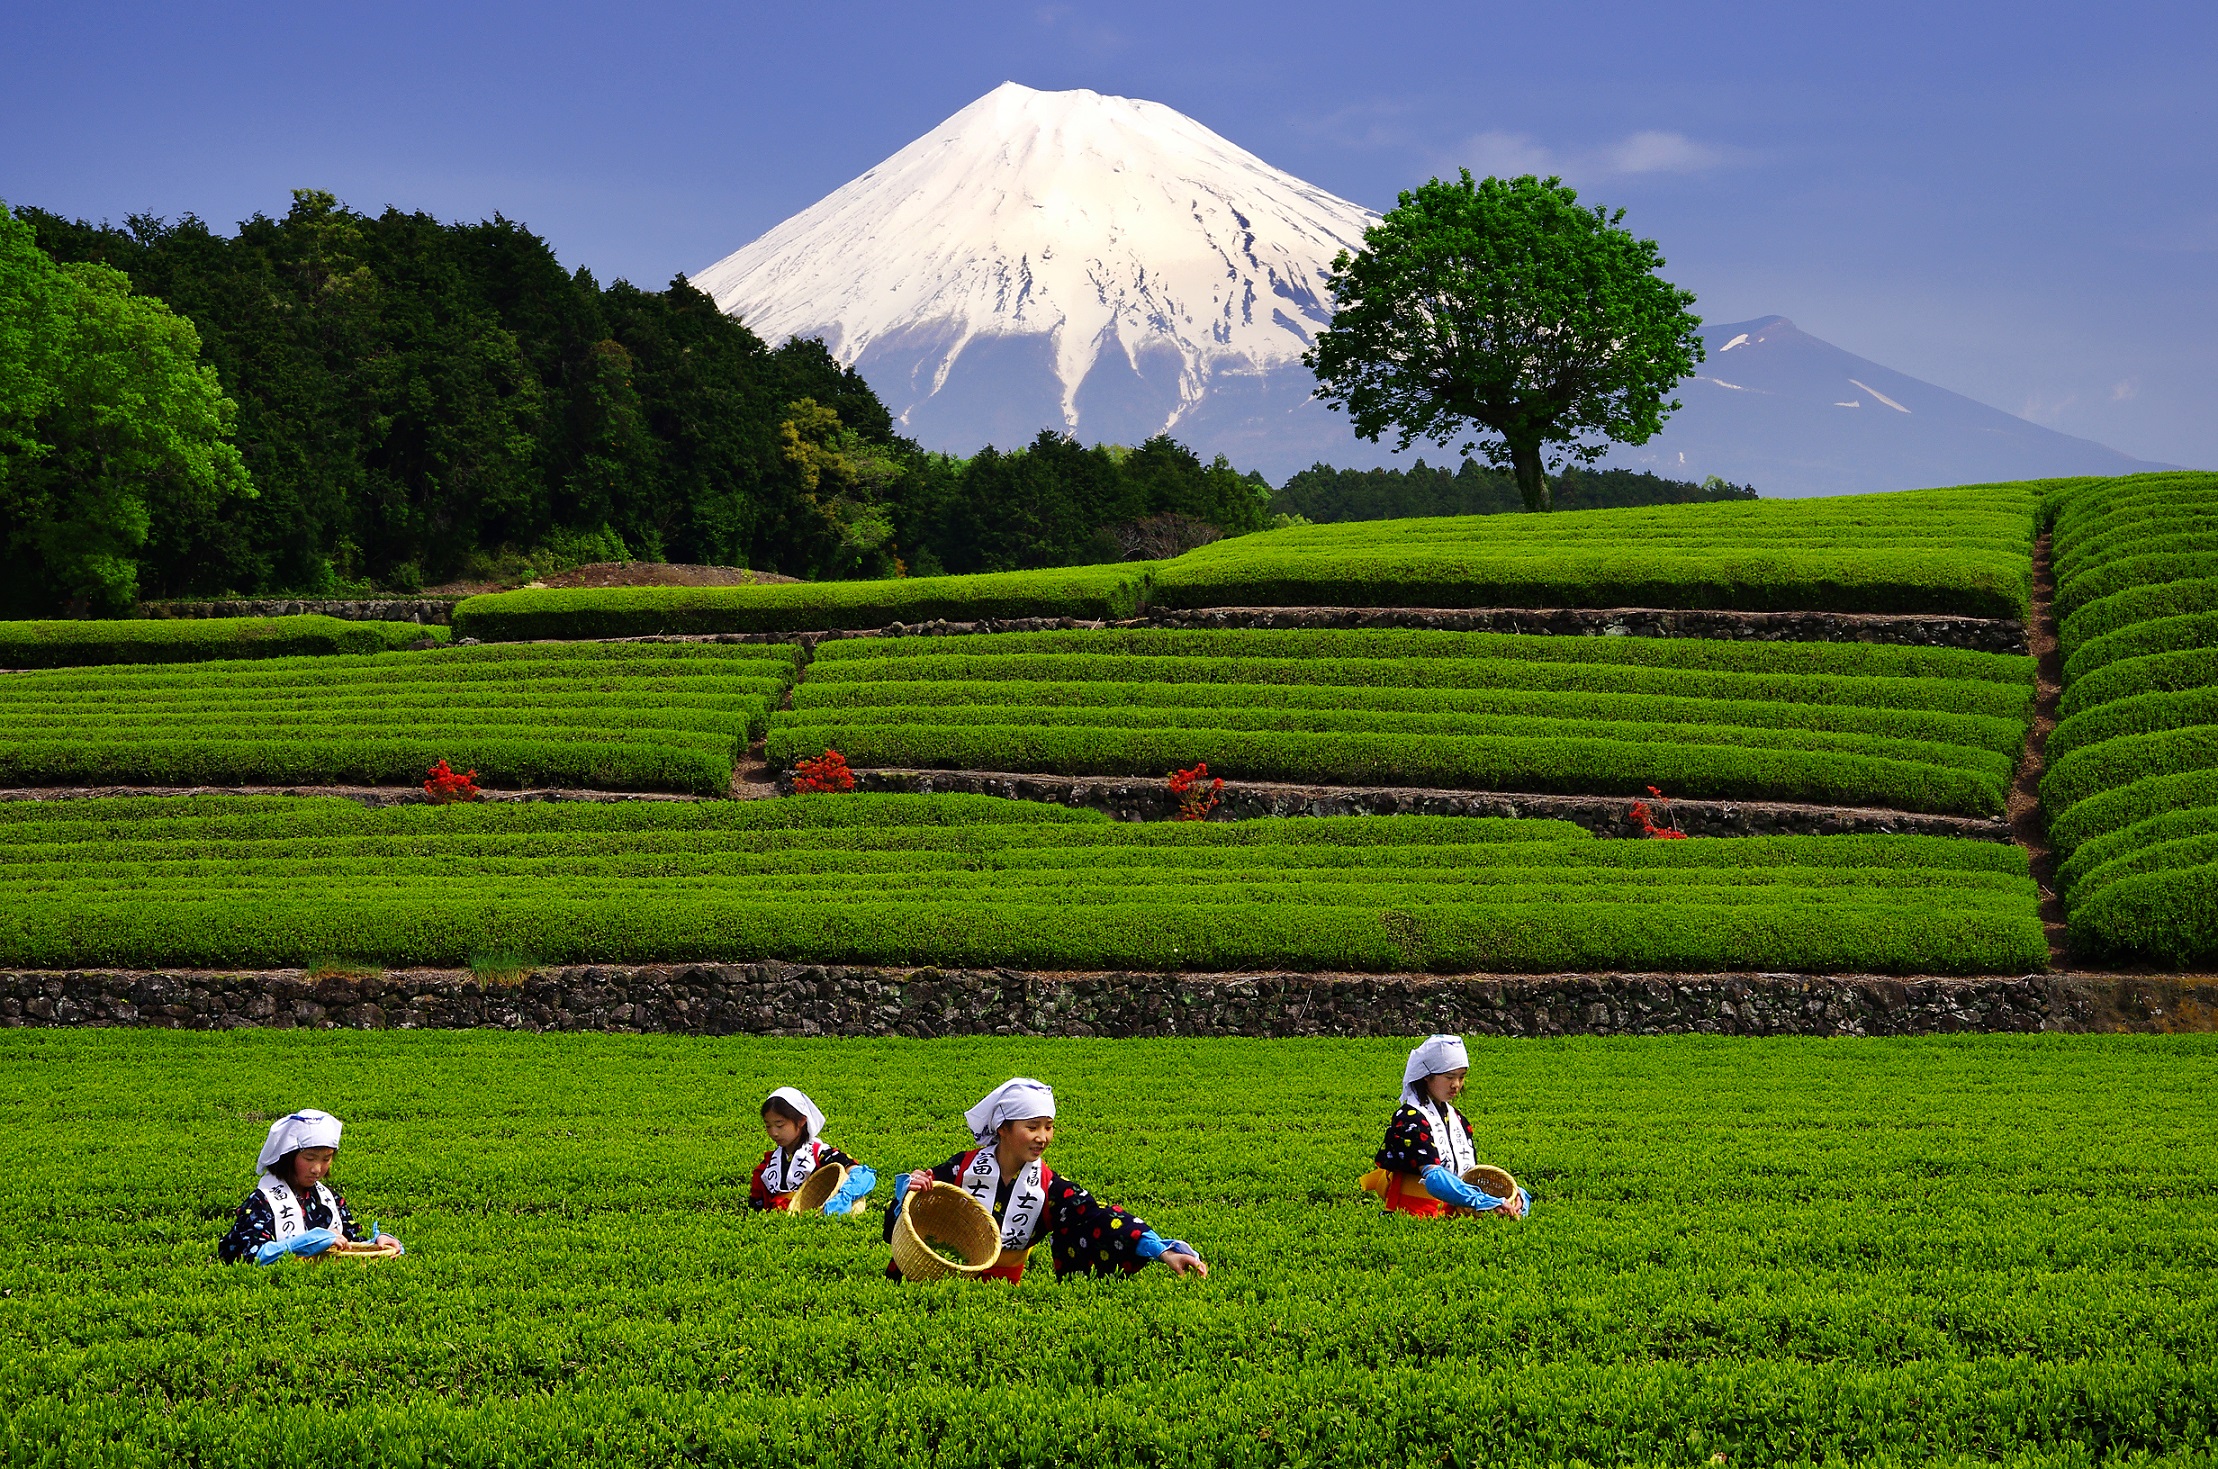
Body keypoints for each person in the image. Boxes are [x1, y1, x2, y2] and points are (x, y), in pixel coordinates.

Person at [882, 1077, 1208, 1283]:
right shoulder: (961, 1169)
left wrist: (1162, 1251)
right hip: (931, 1279)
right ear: (1003, 1129)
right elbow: (904, 1212)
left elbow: (1102, 1219)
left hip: (1002, 1289)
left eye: (1048, 1126)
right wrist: (911, 1187)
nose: (1043, 1137)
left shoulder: (1050, 1187)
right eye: (1033, 1126)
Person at [1362, 1034, 1532, 1220]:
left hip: (1452, 1216)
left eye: (1462, 1077)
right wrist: (1482, 1200)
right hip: (1415, 1216)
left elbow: (1466, 1175)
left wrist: (1516, 1197)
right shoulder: (1410, 1119)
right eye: (1449, 1077)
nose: (1456, 1085)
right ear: (1426, 1076)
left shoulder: (1458, 1118)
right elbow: (1434, 1178)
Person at [217, 1109, 402, 1264]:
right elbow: (251, 1255)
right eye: (309, 1158)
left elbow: (350, 1242)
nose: (317, 1169)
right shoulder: (262, 1202)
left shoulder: (330, 1199)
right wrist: (304, 1243)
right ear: (288, 1157)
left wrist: (380, 1242)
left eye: (326, 1159)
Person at [749, 1086, 877, 1215]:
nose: (773, 1132)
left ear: (801, 1121)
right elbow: (756, 1206)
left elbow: (860, 1174)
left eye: (780, 1125)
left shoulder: (821, 1154)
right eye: (768, 1126)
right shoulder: (769, 1163)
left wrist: (844, 1197)